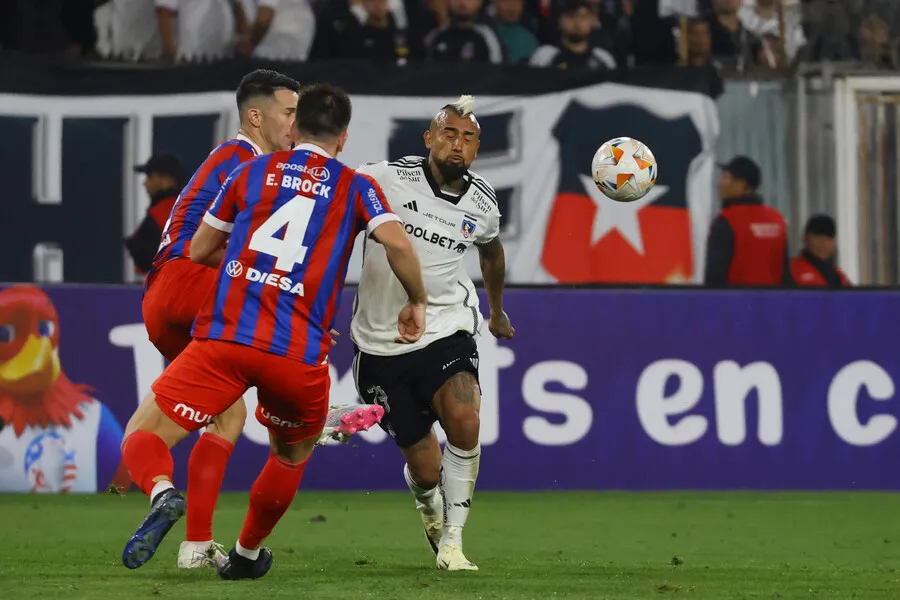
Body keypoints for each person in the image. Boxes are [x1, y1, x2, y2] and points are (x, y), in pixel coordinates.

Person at [120, 83, 428, 580]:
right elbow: (398, 247)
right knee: (291, 453)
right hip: (292, 351)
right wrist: (417, 300)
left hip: (218, 331)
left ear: (295, 127)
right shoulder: (353, 184)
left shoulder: (248, 171)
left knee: (159, 430)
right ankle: (245, 554)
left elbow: (199, 249)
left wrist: (252, 266)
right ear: (343, 138)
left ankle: (172, 507)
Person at [352, 95, 514, 571]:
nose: (457, 145)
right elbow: (335, 225)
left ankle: (454, 543)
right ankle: (430, 508)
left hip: (447, 324)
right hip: (381, 340)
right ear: (428, 138)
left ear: (477, 147)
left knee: (465, 417)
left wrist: (496, 310)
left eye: (468, 138)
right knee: (425, 467)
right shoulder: (383, 178)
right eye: (448, 133)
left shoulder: (482, 201)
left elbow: (492, 253)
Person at [704, 156, 793, 287]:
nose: (720, 183)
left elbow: (715, 277)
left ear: (741, 184)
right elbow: (785, 275)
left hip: (734, 305)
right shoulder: (777, 220)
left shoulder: (727, 220)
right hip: (773, 304)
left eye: (725, 177)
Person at [125, 154, 186, 275]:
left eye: (150, 177)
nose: (145, 183)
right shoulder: (190, 207)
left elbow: (148, 258)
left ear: (166, 181)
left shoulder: (164, 212)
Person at [790, 214, 851, 288]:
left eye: (828, 238)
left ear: (834, 242)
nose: (823, 243)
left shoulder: (840, 276)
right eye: (818, 237)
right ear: (806, 239)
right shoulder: (791, 269)